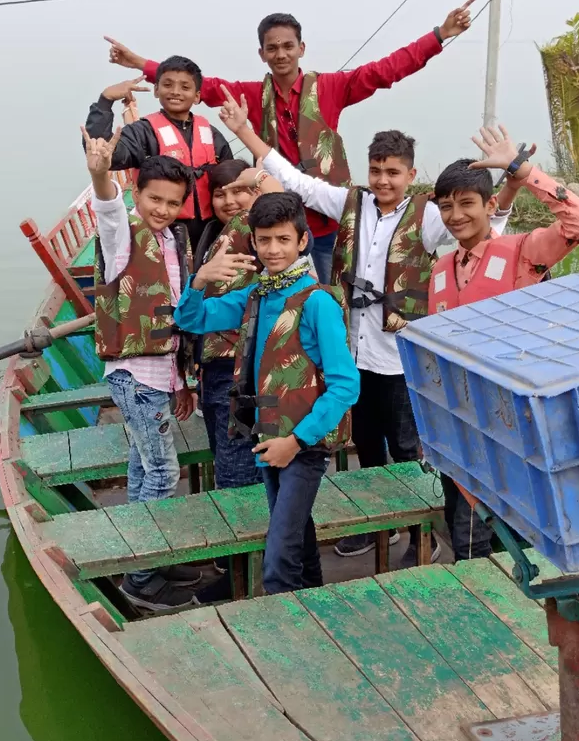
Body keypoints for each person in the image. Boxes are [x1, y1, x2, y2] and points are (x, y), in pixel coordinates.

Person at [218, 89, 510, 566]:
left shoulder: (431, 215)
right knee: (367, 449)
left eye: (393, 172)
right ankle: (384, 528)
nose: (383, 180)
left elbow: (481, 227)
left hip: (401, 360)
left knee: (412, 452)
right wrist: (244, 132)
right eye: (376, 171)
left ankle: (423, 534)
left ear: (411, 175)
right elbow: (297, 181)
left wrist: (509, 181)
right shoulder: (350, 202)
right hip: (354, 355)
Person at [103, 0, 478, 280]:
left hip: (330, 221)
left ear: (302, 48)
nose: (280, 54)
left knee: (336, 295)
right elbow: (201, 86)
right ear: (262, 53)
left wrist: (439, 35)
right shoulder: (251, 94)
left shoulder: (332, 87)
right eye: (272, 47)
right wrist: (141, 64)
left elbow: (386, 70)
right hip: (276, 224)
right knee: (280, 301)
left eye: (287, 46)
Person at [175, 192, 359, 594]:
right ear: (253, 242)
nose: (273, 250)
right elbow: (193, 318)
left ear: (302, 242)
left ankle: (285, 635)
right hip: (268, 436)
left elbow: (346, 385)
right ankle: (315, 604)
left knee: (278, 555)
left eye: (282, 240)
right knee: (296, 532)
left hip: (302, 444)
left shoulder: (317, 303)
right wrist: (200, 280)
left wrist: (296, 442)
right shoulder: (256, 295)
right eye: (264, 240)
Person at [430, 126, 579, 559]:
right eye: (446, 207)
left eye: (466, 204)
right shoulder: (441, 269)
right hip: (463, 432)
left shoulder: (523, 252)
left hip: (518, 430)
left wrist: (521, 170)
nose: (456, 216)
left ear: (490, 205)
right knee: (467, 541)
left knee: (519, 547)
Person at [81, 123, 202, 612]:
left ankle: (146, 552)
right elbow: (108, 211)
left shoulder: (174, 241)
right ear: (137, 191)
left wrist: (183, 379)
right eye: (155, 200)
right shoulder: (122, 236)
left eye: (173, 203)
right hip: (134, 376)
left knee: (140, 469)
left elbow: (174, 307)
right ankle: (140, 575)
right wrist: (99, 175)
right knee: (163, 472)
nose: (164, 210)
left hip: (160, 375)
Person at [85, 57, 235, 249]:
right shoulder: (143, 132)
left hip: (210, 231)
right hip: (161, 230)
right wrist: (105, 102)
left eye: (185, 87)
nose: (175, 92)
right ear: (156, 90)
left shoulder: (210, 132)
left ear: (197, 96)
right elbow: (105, 154)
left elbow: (230, 176)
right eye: (167, 85)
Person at [192, 159, 265, 490]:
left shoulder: (257, 231)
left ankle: (257, 538)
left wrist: (263, 177)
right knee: (227, 454)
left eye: (241, 191)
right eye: (220, 193)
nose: (230, 201)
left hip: (243, 365)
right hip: (213, 366)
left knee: (236, 467)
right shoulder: (211, 236)